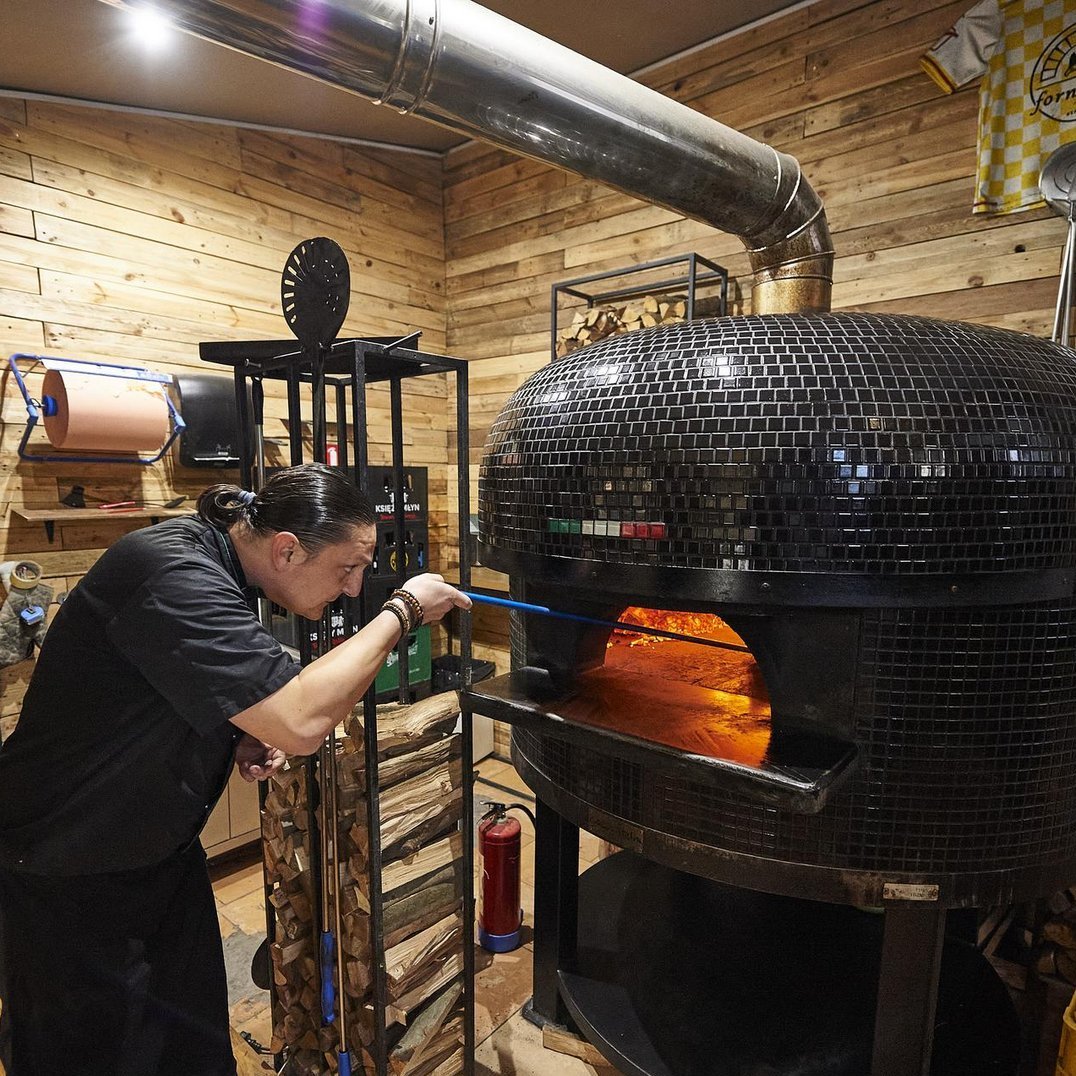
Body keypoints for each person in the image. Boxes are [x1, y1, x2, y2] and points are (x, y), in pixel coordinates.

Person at [0, 463, 470, 1076]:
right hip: (66, 862)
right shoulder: (171, 571)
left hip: (159, 850)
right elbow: (301, 722)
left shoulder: (224, 567)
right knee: (88, 1054)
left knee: (191, 1044)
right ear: (287, 550)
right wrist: (402, 610)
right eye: (347, 568)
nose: (354, 588)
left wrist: (238, 726)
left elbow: (178, 678)